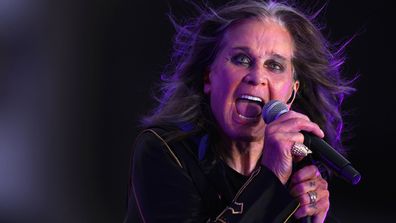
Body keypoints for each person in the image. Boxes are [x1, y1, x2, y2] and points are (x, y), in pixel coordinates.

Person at [124, 0, 356, 222]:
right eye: (241, 59)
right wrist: (271, 178)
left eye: (274, 65)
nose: (256, 77)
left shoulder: (299, 168)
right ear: (208, 78)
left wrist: (315, 217)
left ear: (291, 94)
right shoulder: (164, 149)